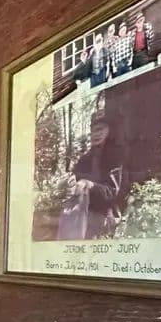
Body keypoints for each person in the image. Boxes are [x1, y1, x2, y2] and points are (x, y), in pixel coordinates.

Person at [56, 102, 125, 240]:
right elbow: (75, 181)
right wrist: (68, 183)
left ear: (109, 131)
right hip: (82, 212)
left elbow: (113, 192)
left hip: (105, 213)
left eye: (101, 129)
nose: (96, 134)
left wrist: (90, 185)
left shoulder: (115, 157)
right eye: (94, 130)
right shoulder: (85, 159)